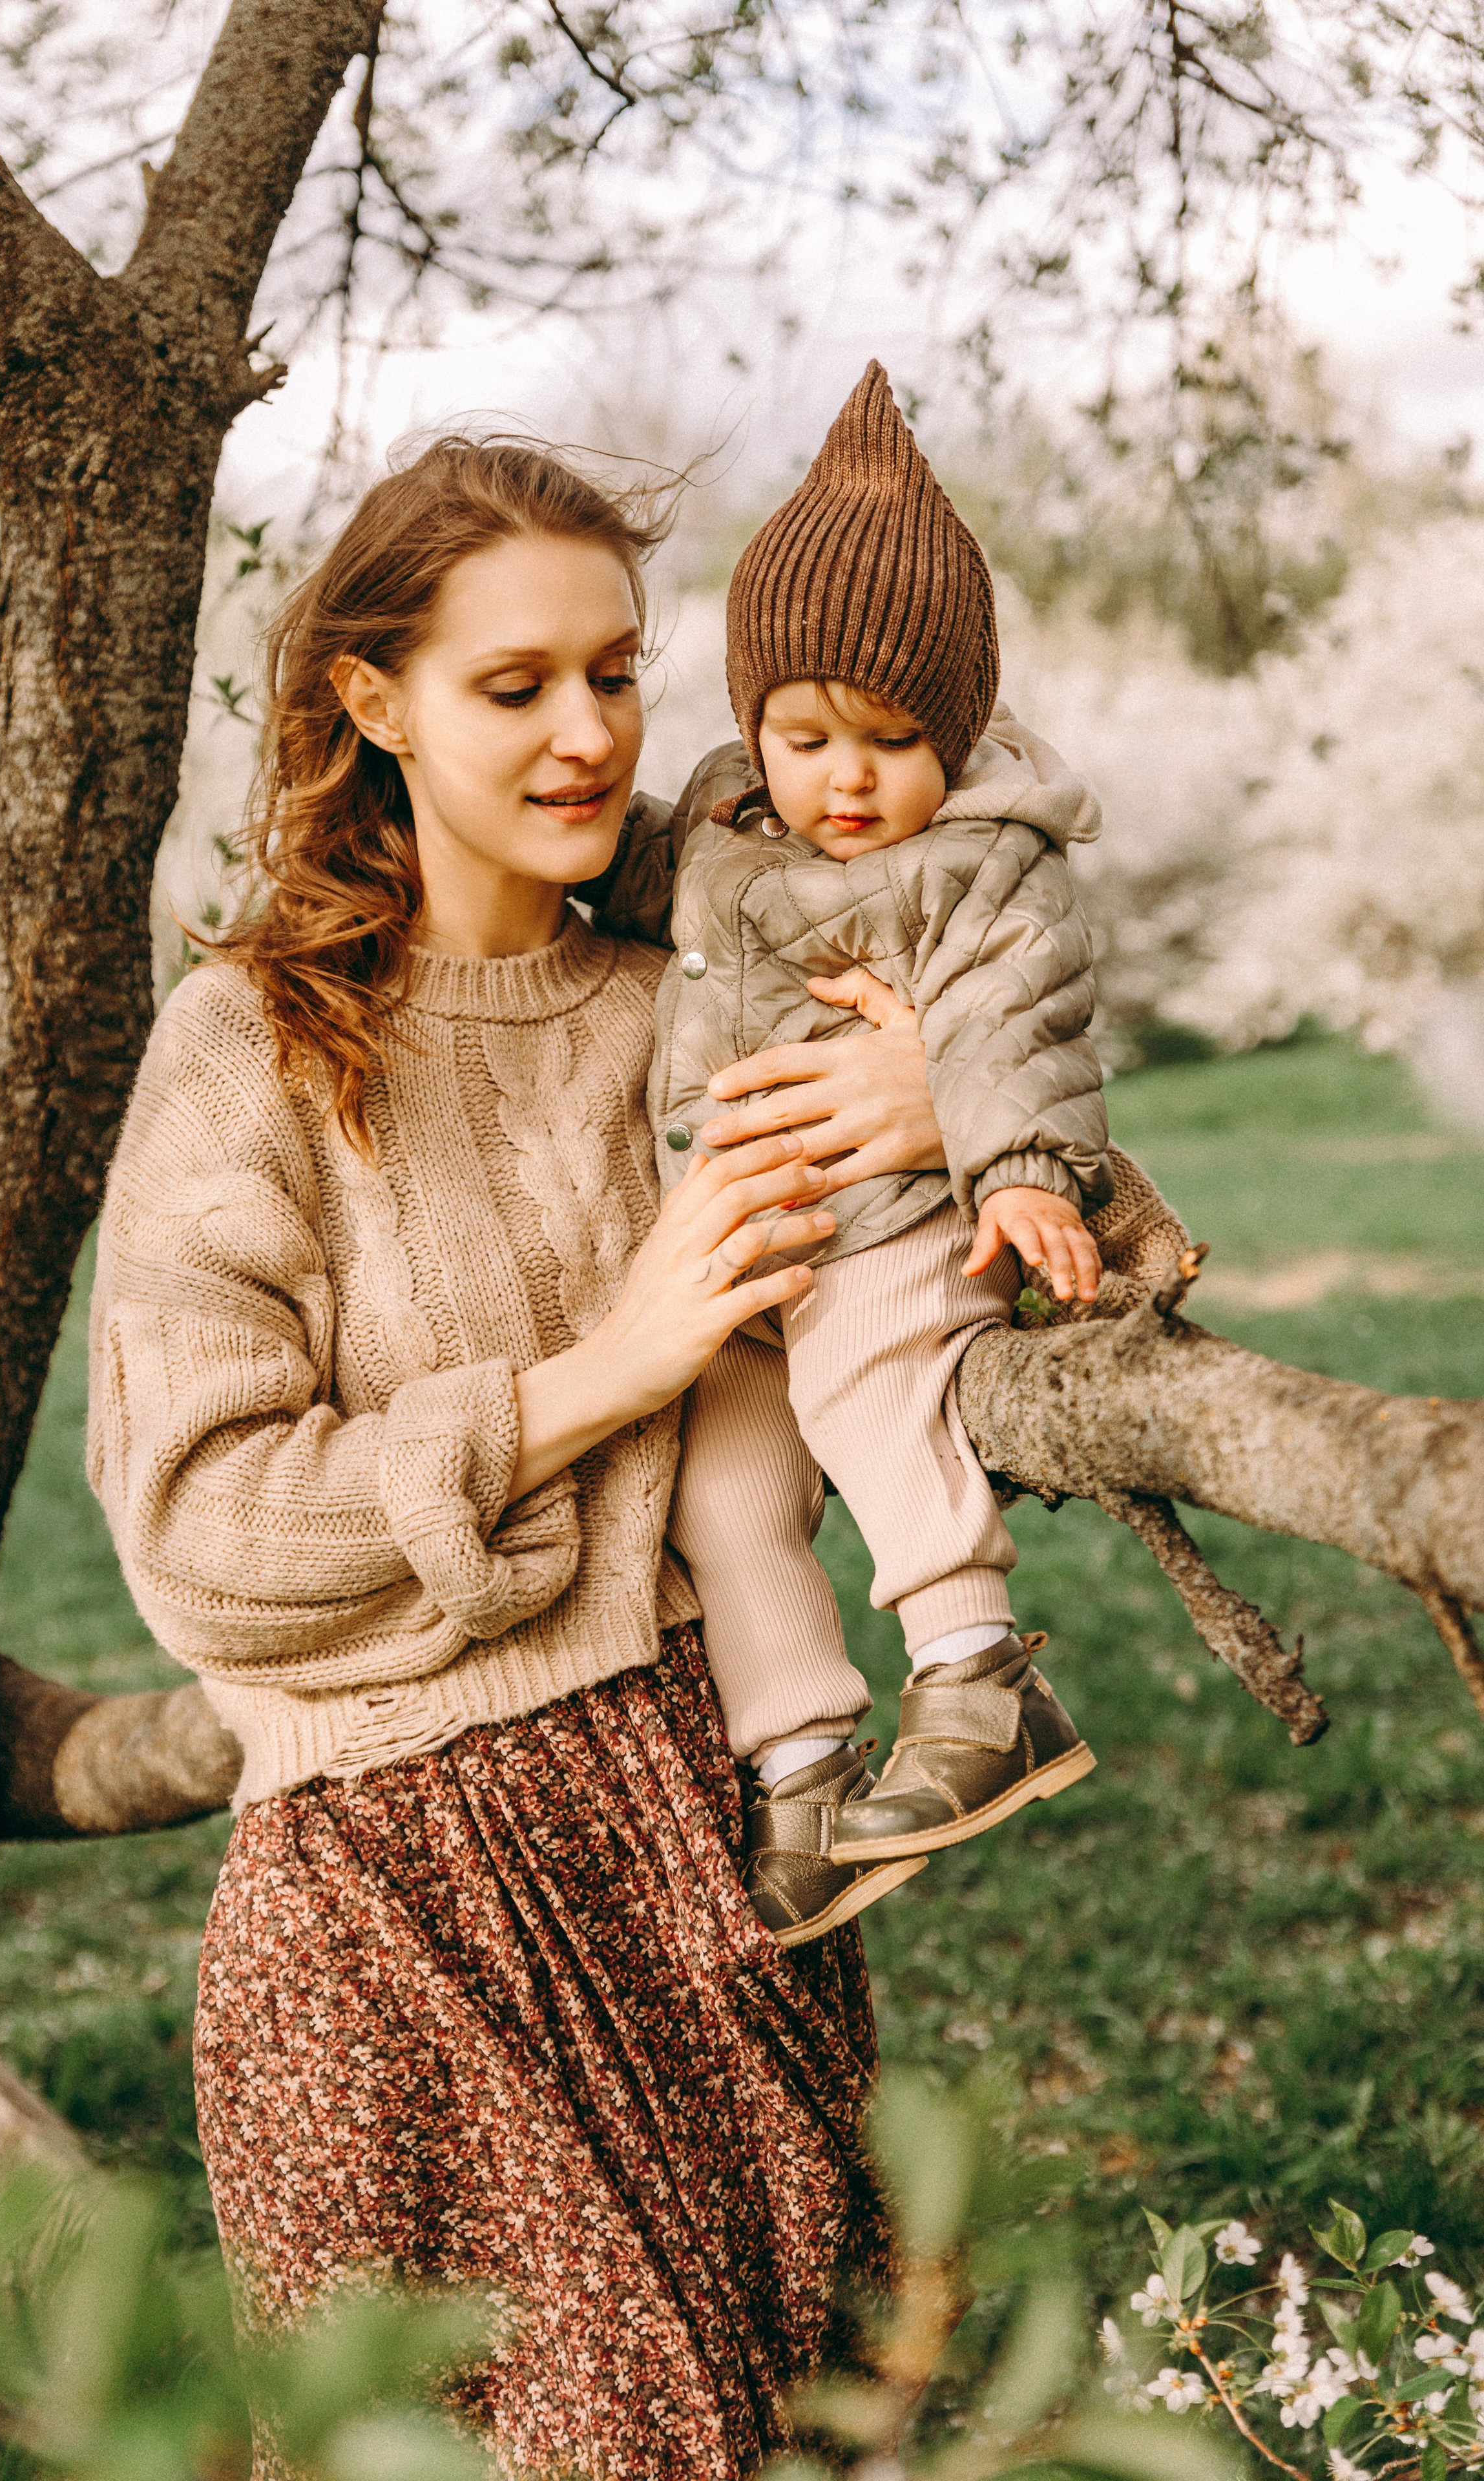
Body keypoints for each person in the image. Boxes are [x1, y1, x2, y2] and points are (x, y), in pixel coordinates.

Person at [86, 432, 953, 2480]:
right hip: (391, 1912)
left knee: (829, 2436)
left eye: (620, 673)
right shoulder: (255, 1050)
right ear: (371, 705)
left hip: (709, 1829)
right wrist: (611, 1365)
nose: (588, 734)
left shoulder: (707, 1000)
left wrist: (951, 1093)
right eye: (516, 686)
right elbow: (202, 1538)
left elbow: (1033, 1269)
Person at [580, 362, 1109, 1950]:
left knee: (872, 1391)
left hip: (879, 1237)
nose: (846, 780)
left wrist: (1015, 1167)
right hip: (740, 1242)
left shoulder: (981, 870)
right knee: (722, 1489)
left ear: (953, 733)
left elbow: (1016, 1024)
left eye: (888, 739)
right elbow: (607, 874)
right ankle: (803, 1758)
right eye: (803, 737)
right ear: (752, 729)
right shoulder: (725, 830)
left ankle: (975, 1669)